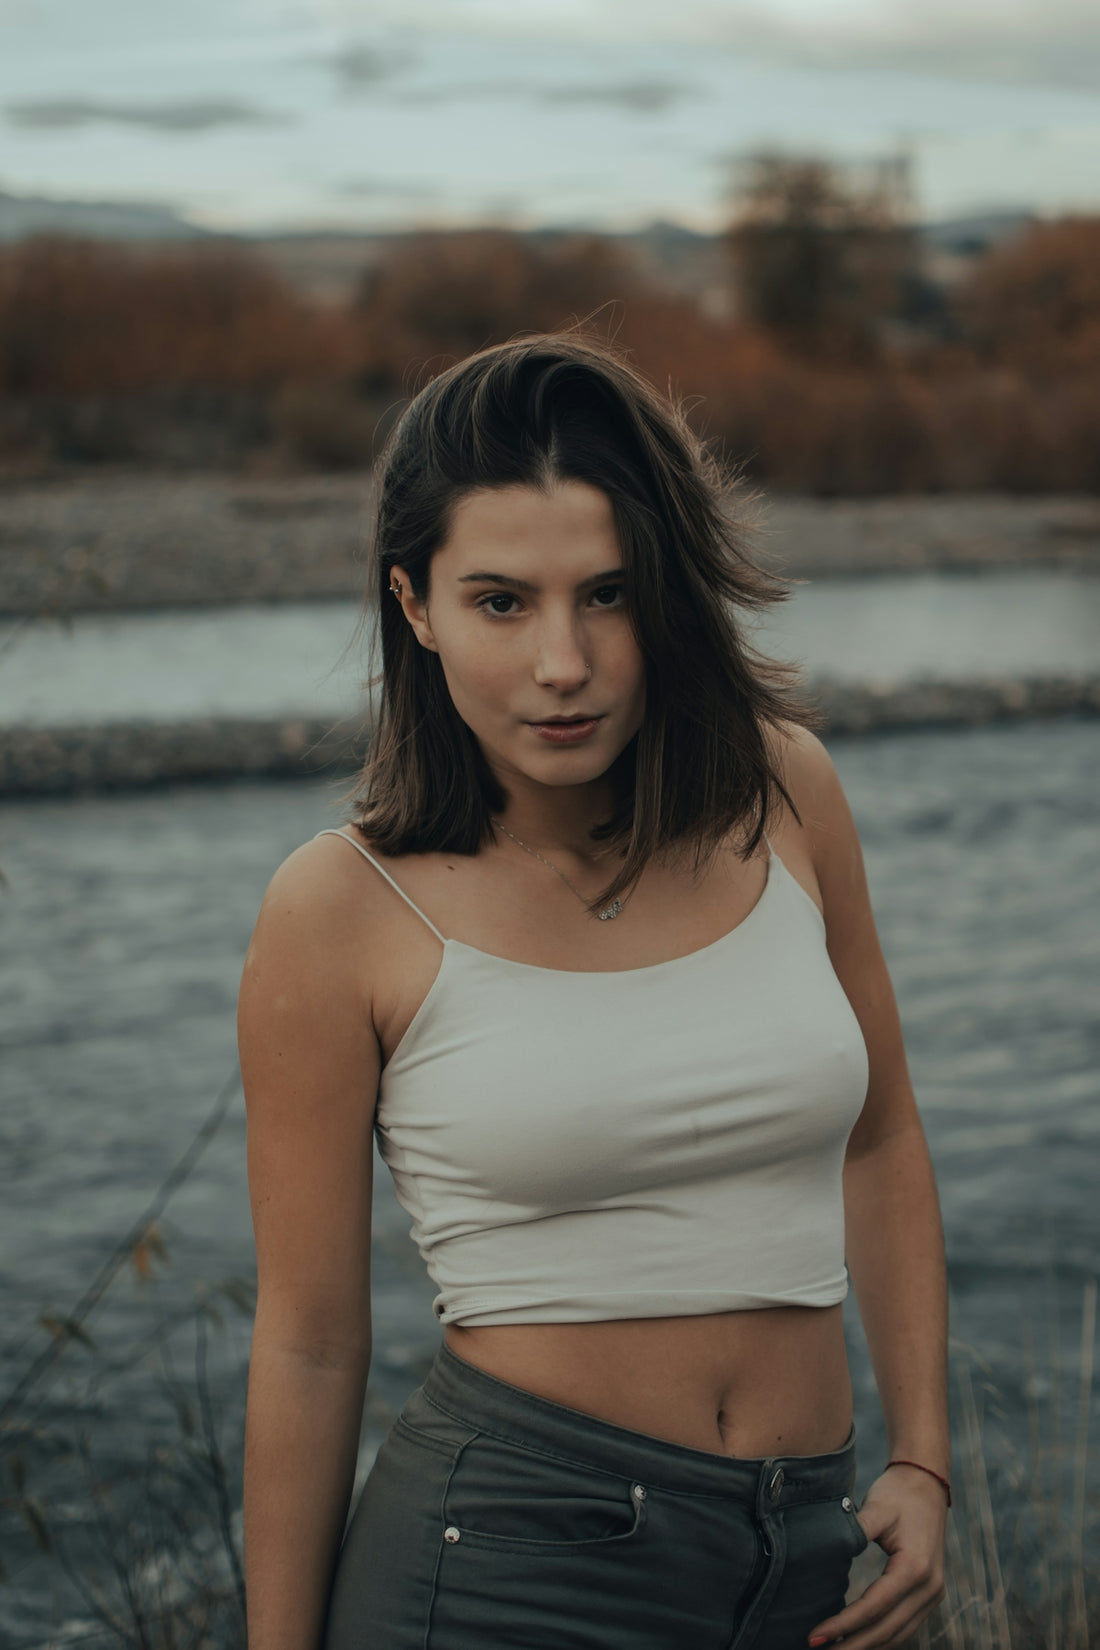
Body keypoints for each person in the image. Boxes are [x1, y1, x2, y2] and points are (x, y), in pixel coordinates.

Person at [238, 334, 950, 1650]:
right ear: (415, 606)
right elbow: (308, 1341)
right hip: (508, 1565)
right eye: (501, 602)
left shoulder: (787, 794)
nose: (562, 663)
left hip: (803, 1555)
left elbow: (883, 1136)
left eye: (608, 594)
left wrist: (924, 1455)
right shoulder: (339, 907)